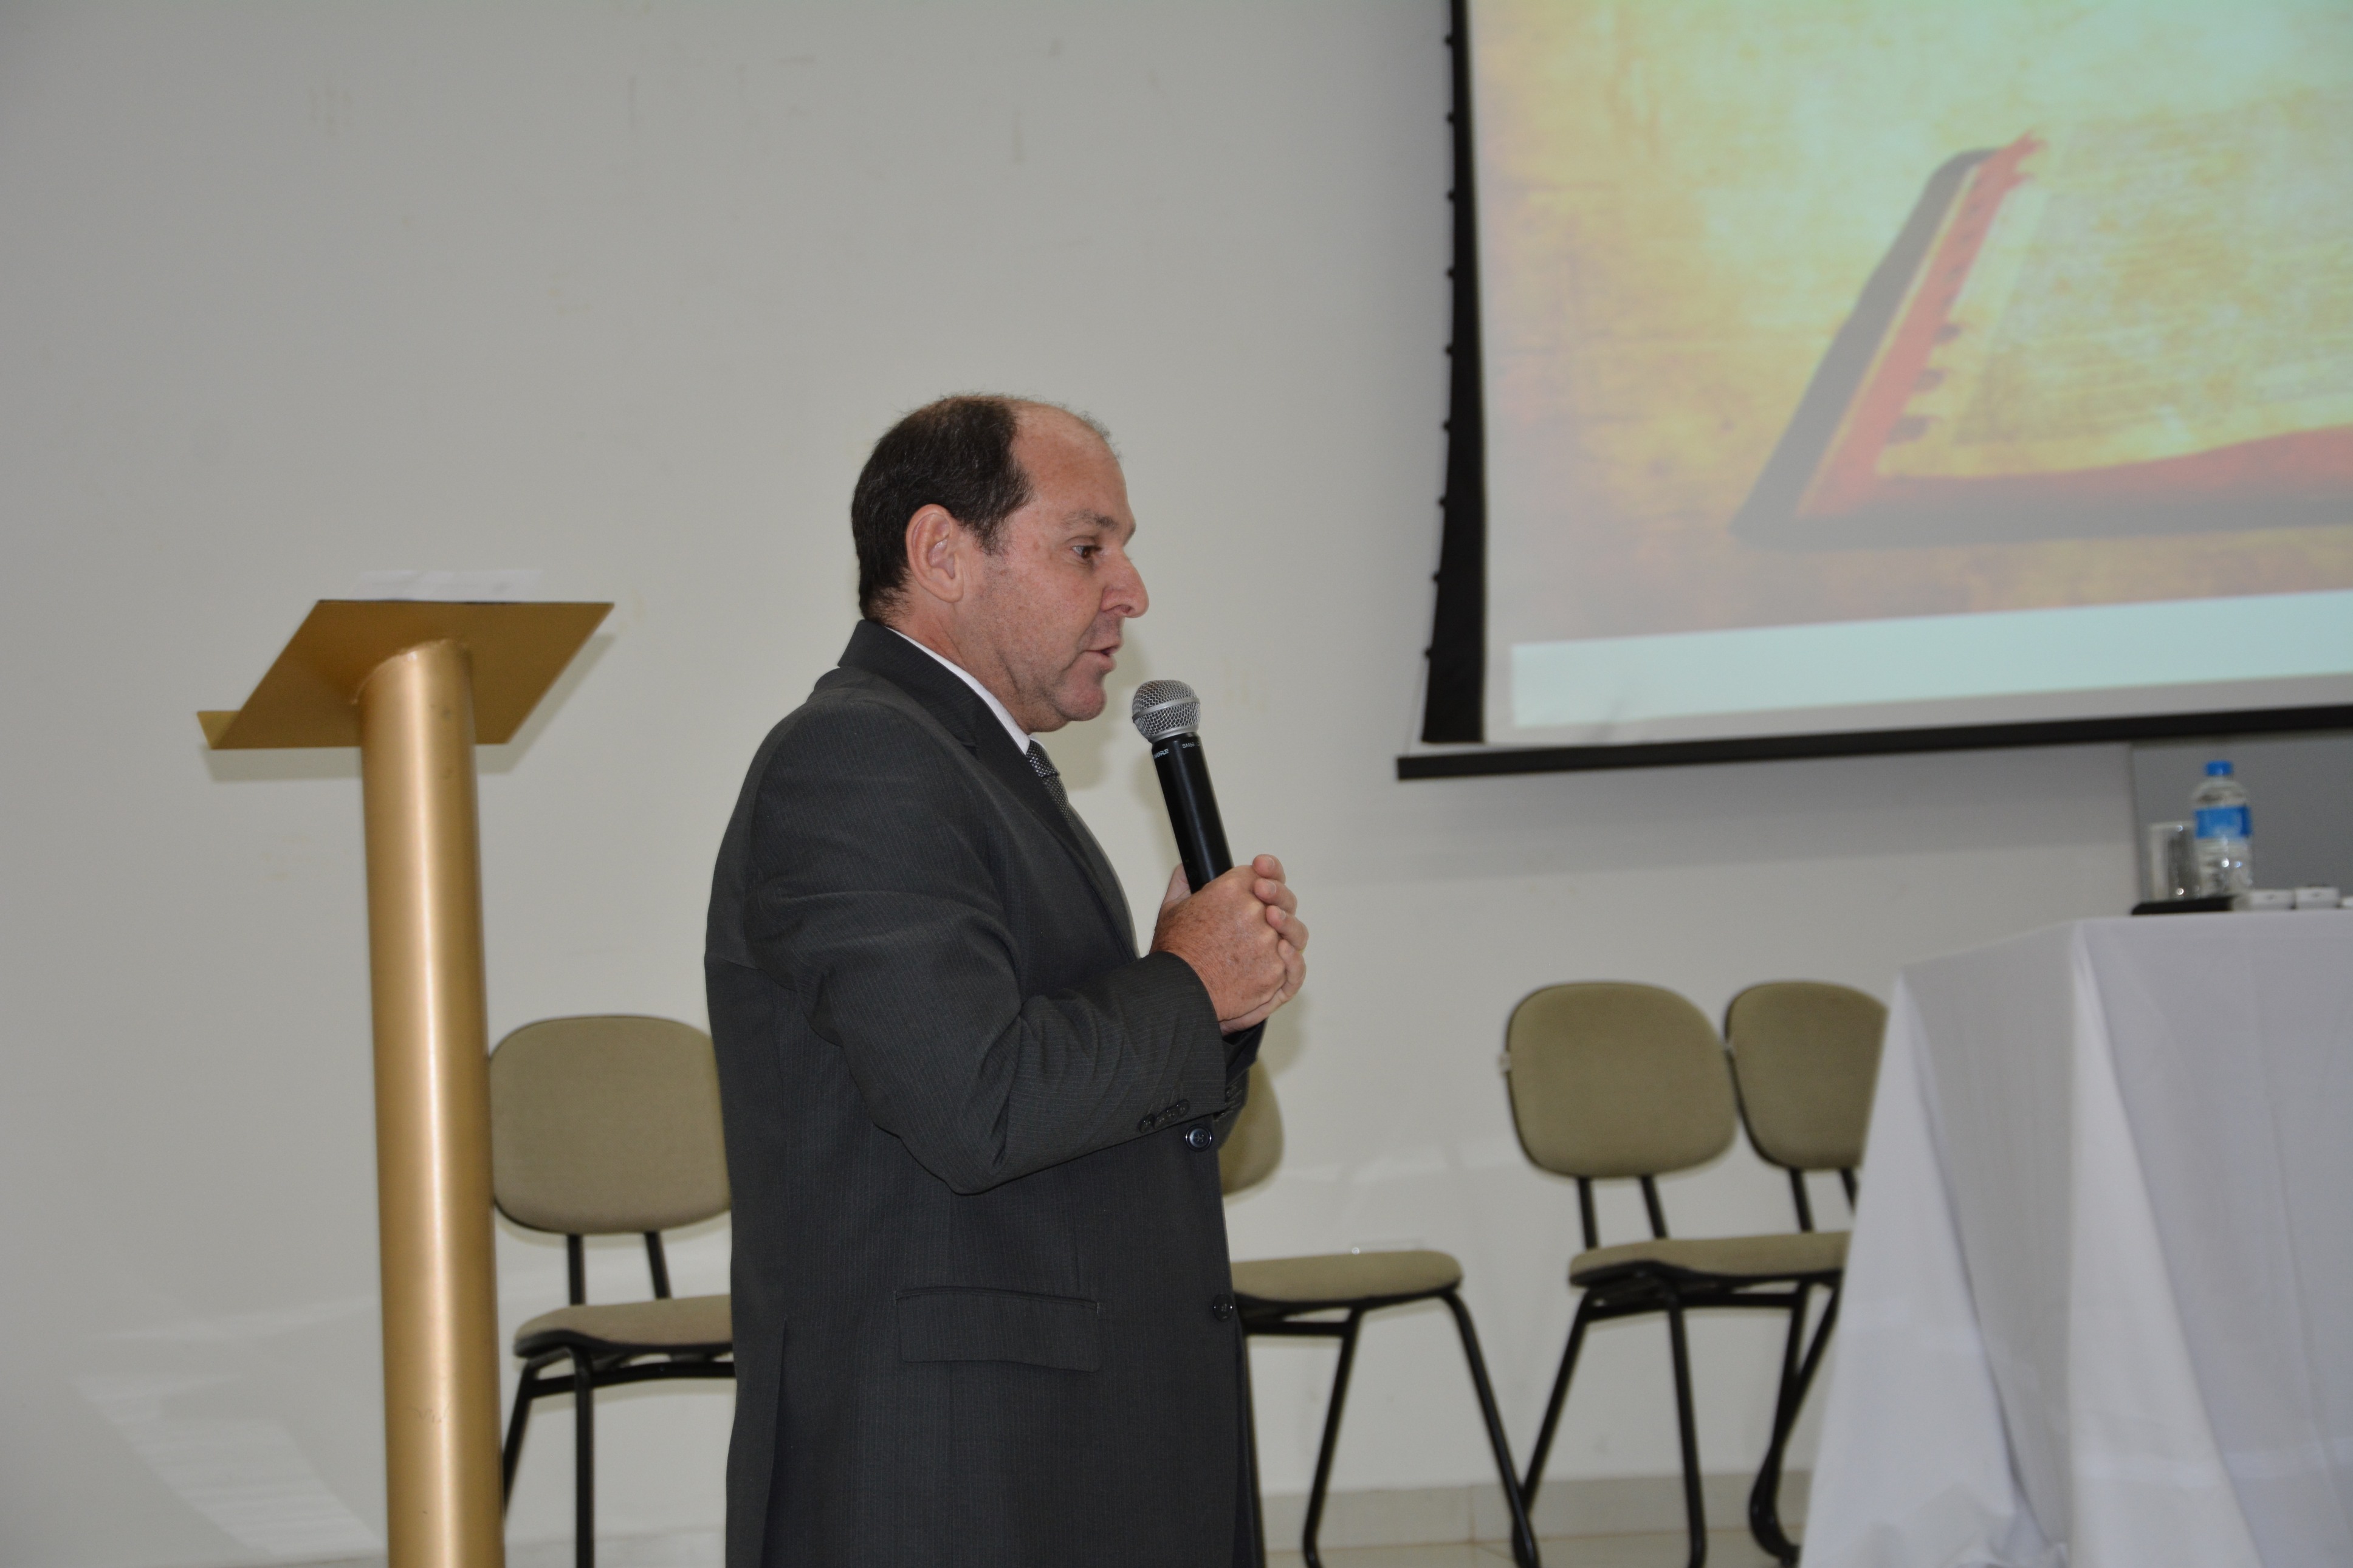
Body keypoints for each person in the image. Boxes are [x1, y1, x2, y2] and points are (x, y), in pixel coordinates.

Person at [705, 394, 1308, 1567]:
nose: (1131, 592)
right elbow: (977, 1100)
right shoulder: (858, 757)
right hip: (953, 1469)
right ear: (942, 553)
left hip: (1063, 1442)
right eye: (1087, 547)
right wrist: (1186, 987)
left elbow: (1074, 1096)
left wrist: (1215, 1004)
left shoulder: (987, 767)